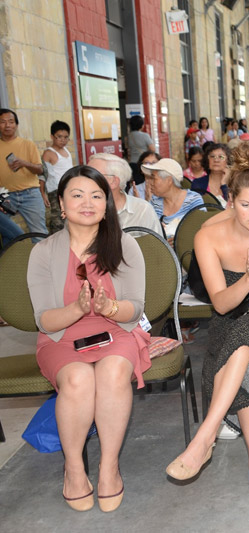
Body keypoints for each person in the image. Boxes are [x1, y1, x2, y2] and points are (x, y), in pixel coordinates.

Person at [167, 144, 249, 503]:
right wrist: (247, 277)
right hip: (229, 318)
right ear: (230, 199)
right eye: (245, 204)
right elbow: (223, 304)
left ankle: (206, 434)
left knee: (246, 342)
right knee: (245, 352)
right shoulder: (208, 236)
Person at [28, 165, 151, 512]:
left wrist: (109, 307)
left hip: (117, 331)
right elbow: (45, 320)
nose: (88, 202)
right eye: (77, 195)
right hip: (62, 336)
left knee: (112, 372)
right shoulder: (43, 252)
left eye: (96, 195)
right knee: (79, 379)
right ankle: (74, 469)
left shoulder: (124, 244)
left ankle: (109, 467)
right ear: (62, 206)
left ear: (106, 204)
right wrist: (77, 309)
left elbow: (135, 307)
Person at [0, 108, 47, 238]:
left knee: (39, 233)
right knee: (7, 234)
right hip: (6, 196)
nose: (7, 125)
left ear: (16, 125)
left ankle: (42, 258)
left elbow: (40, 169)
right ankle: (13, 258)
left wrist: (24, 163)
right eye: (3, 122)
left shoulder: (28, 144)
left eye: (11, 121)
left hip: (30, 194)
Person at [88, 153, 161, 235]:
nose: (85, 180)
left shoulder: (142, 210)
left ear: (113, 181)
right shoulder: (83, 209)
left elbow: (156, 246)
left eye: (93, 175)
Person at [143, 158, 204, 242]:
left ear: (169, 180)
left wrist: (180, 240)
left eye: (154, 178)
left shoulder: (193, 200)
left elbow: (202, 230)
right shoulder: (154, 202)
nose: (151, 183)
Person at [42, 120, 73, 233]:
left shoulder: (66, 151)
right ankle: (54, 244)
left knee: (69, 218)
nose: (63, 140)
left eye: (66, 137)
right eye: (59, 137)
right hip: (55, 191)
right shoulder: (48, 153)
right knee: (57, 220)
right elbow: (43, 175)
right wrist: (42, 193)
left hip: (69, 189)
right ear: (52, 136)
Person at [126, 115, 155, 189]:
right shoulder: (145, 136)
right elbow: (152, 149)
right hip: (143, 163)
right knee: (145, 183)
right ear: (142, 125)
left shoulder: (128, 136)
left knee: (137, 183)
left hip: (132, 163)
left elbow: (127, 149)